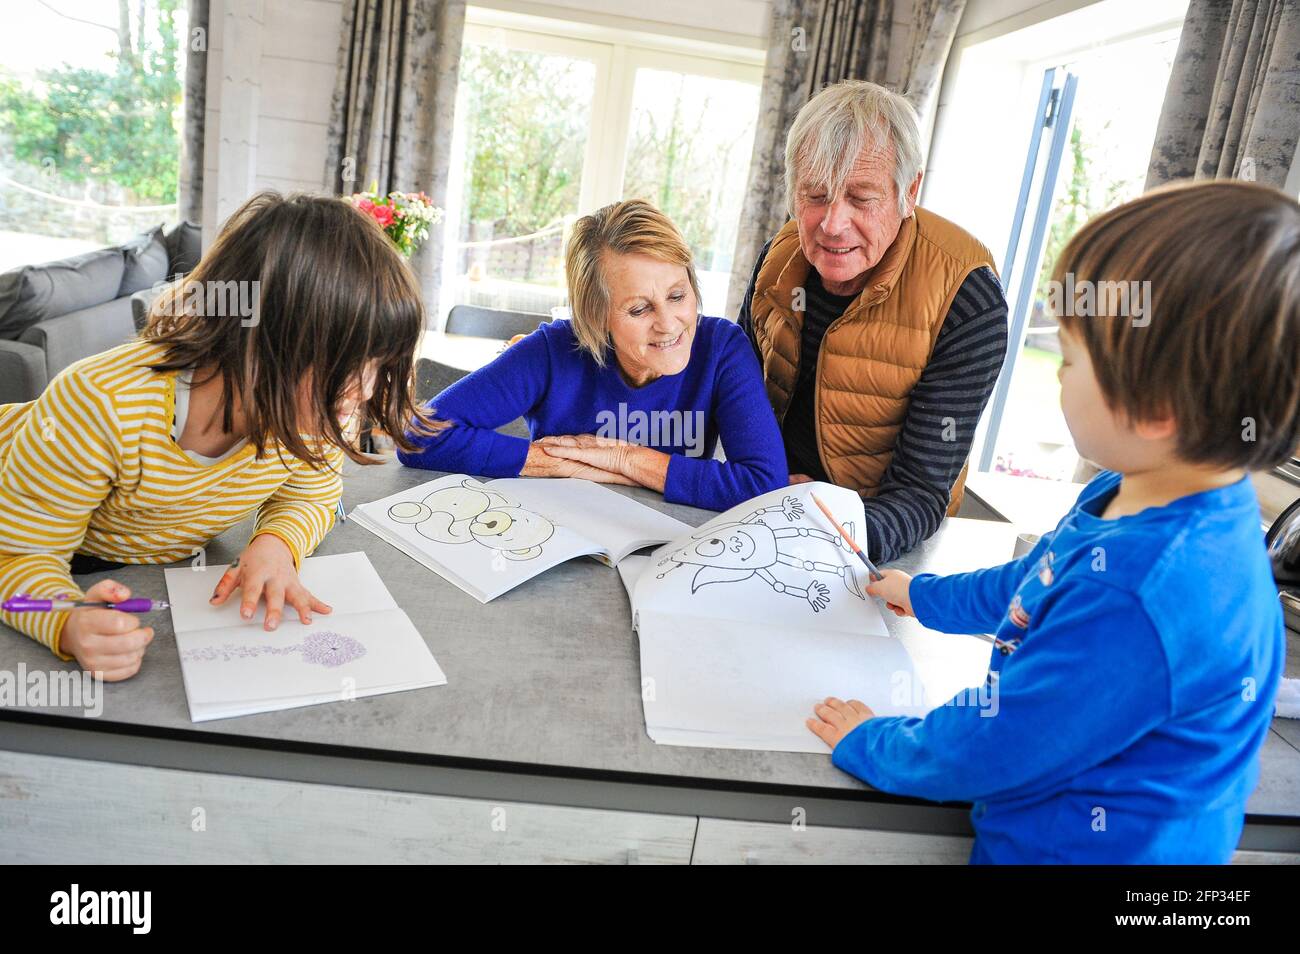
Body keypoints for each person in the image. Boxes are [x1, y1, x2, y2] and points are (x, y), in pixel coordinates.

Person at [807, 180, 1300, 863]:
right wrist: (920, 595)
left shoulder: (1144, 592)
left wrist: (875, 741)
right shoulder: (1138, 493)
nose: (1058, 376)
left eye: (1071, 359)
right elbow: (1040, 580)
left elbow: (995, 744)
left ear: (1158, 408)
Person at [0, 191, 437, 679]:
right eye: (348, 365)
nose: (365, 390)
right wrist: (63, 623)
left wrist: (275, 543)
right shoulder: (99, 404)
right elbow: (15, 557)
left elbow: (313, 496)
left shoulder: (318, 411)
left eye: (378, 366)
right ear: (257, 340)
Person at [738, 79, 1008, 561]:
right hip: (764, 509)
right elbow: (734, 397)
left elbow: (921, 496)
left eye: (862, 198)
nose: (833, 224)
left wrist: (818, 517)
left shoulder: (966, 298)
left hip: (878, 544)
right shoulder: (779, 257)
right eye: (815, 195)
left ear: (910, 191)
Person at [398, 199, 788, 511]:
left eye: (677, 296)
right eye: (639, 309)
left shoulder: (722, 348)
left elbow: (764, 484)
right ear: (596, 316)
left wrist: (627, 460)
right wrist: (548, 462)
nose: (670, 324)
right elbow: (418, 437)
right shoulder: (553, 351)